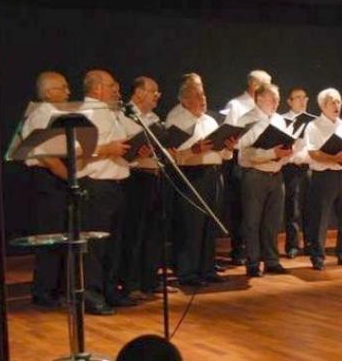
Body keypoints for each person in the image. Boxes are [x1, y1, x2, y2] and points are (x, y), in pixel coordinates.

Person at [166, 75, 237, 286]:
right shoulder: (176, 120)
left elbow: (223, 155)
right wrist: (193, 150)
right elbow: (173, 156)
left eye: (204, 94)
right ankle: (188, 272)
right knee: (192, 225)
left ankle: (207, 268)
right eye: (197, 95)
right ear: (184, 100)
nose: (203, 99)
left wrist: (228, 147)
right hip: (192, 175)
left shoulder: (210, 120)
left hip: (214, 174)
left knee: (209, 224)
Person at [78, 69, 136, 314]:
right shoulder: (84, 112)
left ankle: (110, 290)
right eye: (112, 85)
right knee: (95, 246)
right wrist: (107, 149)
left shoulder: (112, 112)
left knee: (115, 243)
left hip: (117, 185)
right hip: (96, 184)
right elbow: (75, 149)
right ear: (97, 88)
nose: (117, 90)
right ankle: (92, 294)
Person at [23, 71, 71, 308]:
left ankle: (57, 290)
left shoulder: (55, 114)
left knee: (62, 236)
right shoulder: (42, 115)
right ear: (49, 92)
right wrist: (72, 179)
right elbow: (48, 156)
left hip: (58, 177)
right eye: (63, 87)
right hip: (48, 179)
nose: (68, 92)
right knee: (50, 239)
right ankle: (44, 293)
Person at [237, 84, 294, 277]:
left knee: (273, 222)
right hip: (255, 175)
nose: (277, 103)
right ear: (259, 98)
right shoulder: (247, 120)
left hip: (276, 175)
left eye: (278, 99)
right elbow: (245, 154)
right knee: (252, 221)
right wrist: (272, 152)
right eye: (272, 99)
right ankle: (253, 263)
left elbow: (285, 149)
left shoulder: (279, 120)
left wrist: (286, 153)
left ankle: (271, 260)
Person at [304, 88, 342, 270]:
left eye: (339, 101)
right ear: (323, 105)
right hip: (324, 176)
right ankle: (318, 257)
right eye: (332, 102)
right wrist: (333, 158)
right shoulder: (314, 126)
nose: (337, 105)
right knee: (321, 218)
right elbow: (313, 153)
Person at [120, 76, 166, 301]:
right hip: (134, 177)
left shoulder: (154, 118)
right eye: (153, 91)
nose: (157, 95)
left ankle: (150, 280)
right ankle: (131, 283)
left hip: (154, 176)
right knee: (134, 233)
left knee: (153, 231)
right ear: (138, 92)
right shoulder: (125, 114)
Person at [222, 69, 272, 265]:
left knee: (260, 210)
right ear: (254, 86)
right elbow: (229, 133)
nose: (269, 88)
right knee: (241, 208)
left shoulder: (267, 106)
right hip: (240, 160)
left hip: (265, 160)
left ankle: (259, 250)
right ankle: (239, 249)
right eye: (265, 84)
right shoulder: (236, 105)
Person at [281, 87, 312, 258]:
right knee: (292, 208)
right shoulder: (282, 120)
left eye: (304, 98)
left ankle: (309, 243)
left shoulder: (313, 121)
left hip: (308, 167)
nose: (302, 101)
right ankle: (292, 245)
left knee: (310, 207)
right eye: (297, 98)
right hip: (291, 168)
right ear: (289, 101)